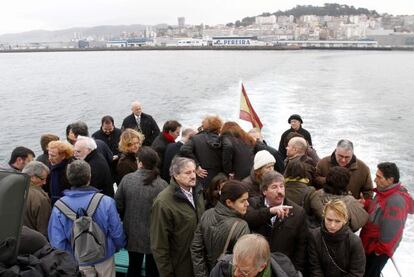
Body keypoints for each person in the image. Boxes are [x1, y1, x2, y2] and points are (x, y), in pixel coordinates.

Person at [48, 160, 125, 277]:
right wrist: (117, 246)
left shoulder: (59, 206)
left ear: (69, 179)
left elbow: (57, 240)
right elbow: (116, 231)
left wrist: (69, 259)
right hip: (104, 255)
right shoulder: (105, 201)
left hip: (78, 259)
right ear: (89, 177)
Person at [115, 147, 168, 277]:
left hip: (132, 230)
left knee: (133, 266)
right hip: (154, 234)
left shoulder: (127, 179)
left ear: (140, 162)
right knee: (153, 268)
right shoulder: (162, 185)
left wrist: (126, 217)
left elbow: (118, 204)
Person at [150, 157, 205, 277]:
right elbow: (159, 245)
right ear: (176, 175)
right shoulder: (163, 202)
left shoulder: (198, 192)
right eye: (188, 172)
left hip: (199, 264)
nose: (193, 176)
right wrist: (167, 274)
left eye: (194, 171)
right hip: (180, 266)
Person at [245, 171, 307, 273]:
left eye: (281, 187)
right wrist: (270, 212)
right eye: (274, 187)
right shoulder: (253, 204)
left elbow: (301, 247)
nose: (280, 191)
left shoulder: (297, 212)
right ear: (264, 191)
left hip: (283, 268)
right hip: (257, 266)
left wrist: (295, 270)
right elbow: (250, 219)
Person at [360, 162, 414, 277]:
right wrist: (366, 203)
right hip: (369, 245)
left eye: (379, 177)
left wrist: (378, 252)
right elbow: (378, 208)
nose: (375, 180)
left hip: (376, 251)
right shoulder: (384, 192)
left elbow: (391, 232)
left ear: (390, 180)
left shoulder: (396, 201)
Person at [191, 180, 250, 277]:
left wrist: (202, 274)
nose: (247, 204)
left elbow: (196, 249)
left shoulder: (207, 214)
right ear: (229, 202)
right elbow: (243, 262)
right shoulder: (241, 226)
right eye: (243, 201)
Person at [308, 199, 366, 277]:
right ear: (324, 216)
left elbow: (356, 272)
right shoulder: (314, 236)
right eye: (329, 220)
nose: (332, 225)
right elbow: (314, 267)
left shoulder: (354, 241)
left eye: (337, 221)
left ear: (344, 220)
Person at [210, 234, 301, 277]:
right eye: (235, 265)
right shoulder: (221, 268)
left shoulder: (286, 272)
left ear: (261, 267)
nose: (236, 273)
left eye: (244, 272)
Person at [315, 166, 368, 232]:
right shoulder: (350, 201)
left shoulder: (316, 195)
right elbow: (359, 223)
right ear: (347, 182)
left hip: (318, 234)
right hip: (341, 237)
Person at [180, 115, 223, 188]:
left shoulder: (196, 138)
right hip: (219, 178)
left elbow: (184, 149)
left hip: (202, 176)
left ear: (204, 125)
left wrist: (196, 165)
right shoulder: (223, 140)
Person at [284, 159, 323, 225]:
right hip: (302, 226)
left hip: (284, 225)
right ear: (304, 172)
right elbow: (320, 213)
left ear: (286, 171)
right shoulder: (310, 191)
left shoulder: (280, 189)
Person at [21, 161, 51, 237]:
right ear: (32, 177)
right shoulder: (40, 198)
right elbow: (44, 229)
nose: (44, 182)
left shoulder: (11, 189)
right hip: (33, 243)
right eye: (43, 179)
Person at [47, 141, 74, 205]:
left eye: (53, 156)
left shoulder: (70, 169)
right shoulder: (52, 166)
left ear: (63, 156)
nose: (49, 158)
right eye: (49, 154)